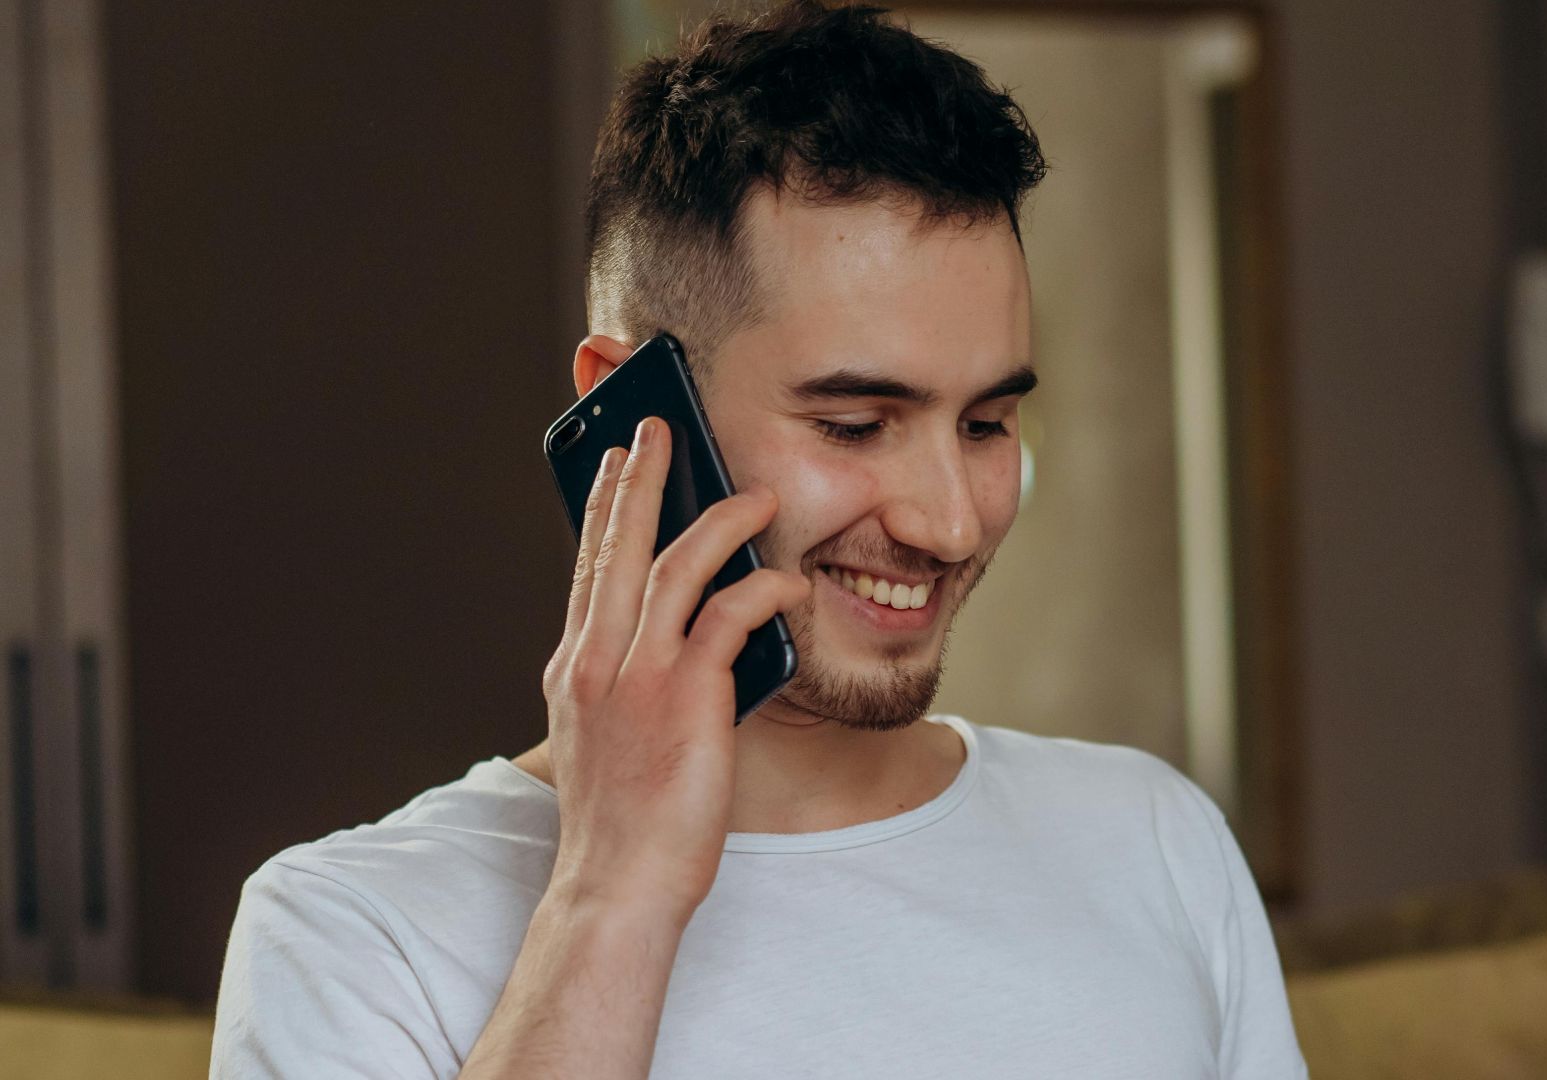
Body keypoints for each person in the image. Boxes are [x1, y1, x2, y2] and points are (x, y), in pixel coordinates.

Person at [209, 1, 1308, 1076]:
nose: (951, 521)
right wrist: (612, 893)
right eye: (854, 424)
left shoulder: (1153, 841)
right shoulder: (351, 933)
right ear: (638, 407)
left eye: (984, 423)